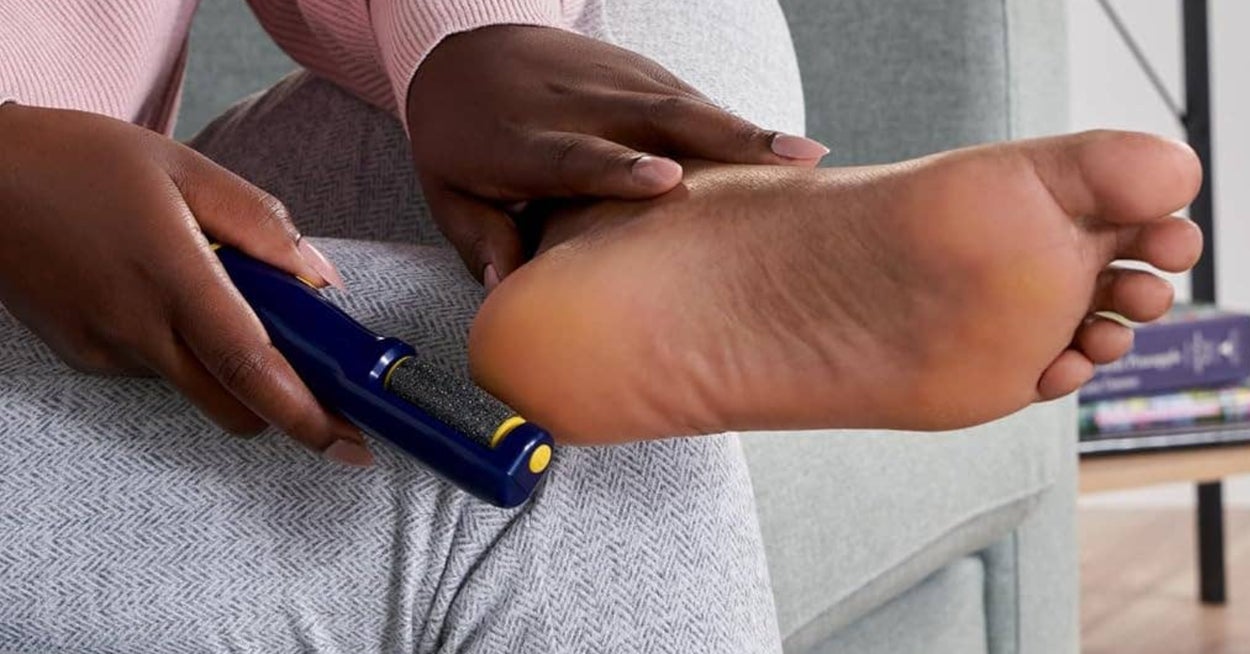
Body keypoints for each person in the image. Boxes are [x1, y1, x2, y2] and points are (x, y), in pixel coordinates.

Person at [0, 0, 1201, 651]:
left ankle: (616, 228)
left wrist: (465, 35)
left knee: (651, 12)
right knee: (536, 442)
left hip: (99, 174)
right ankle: (621, 258)